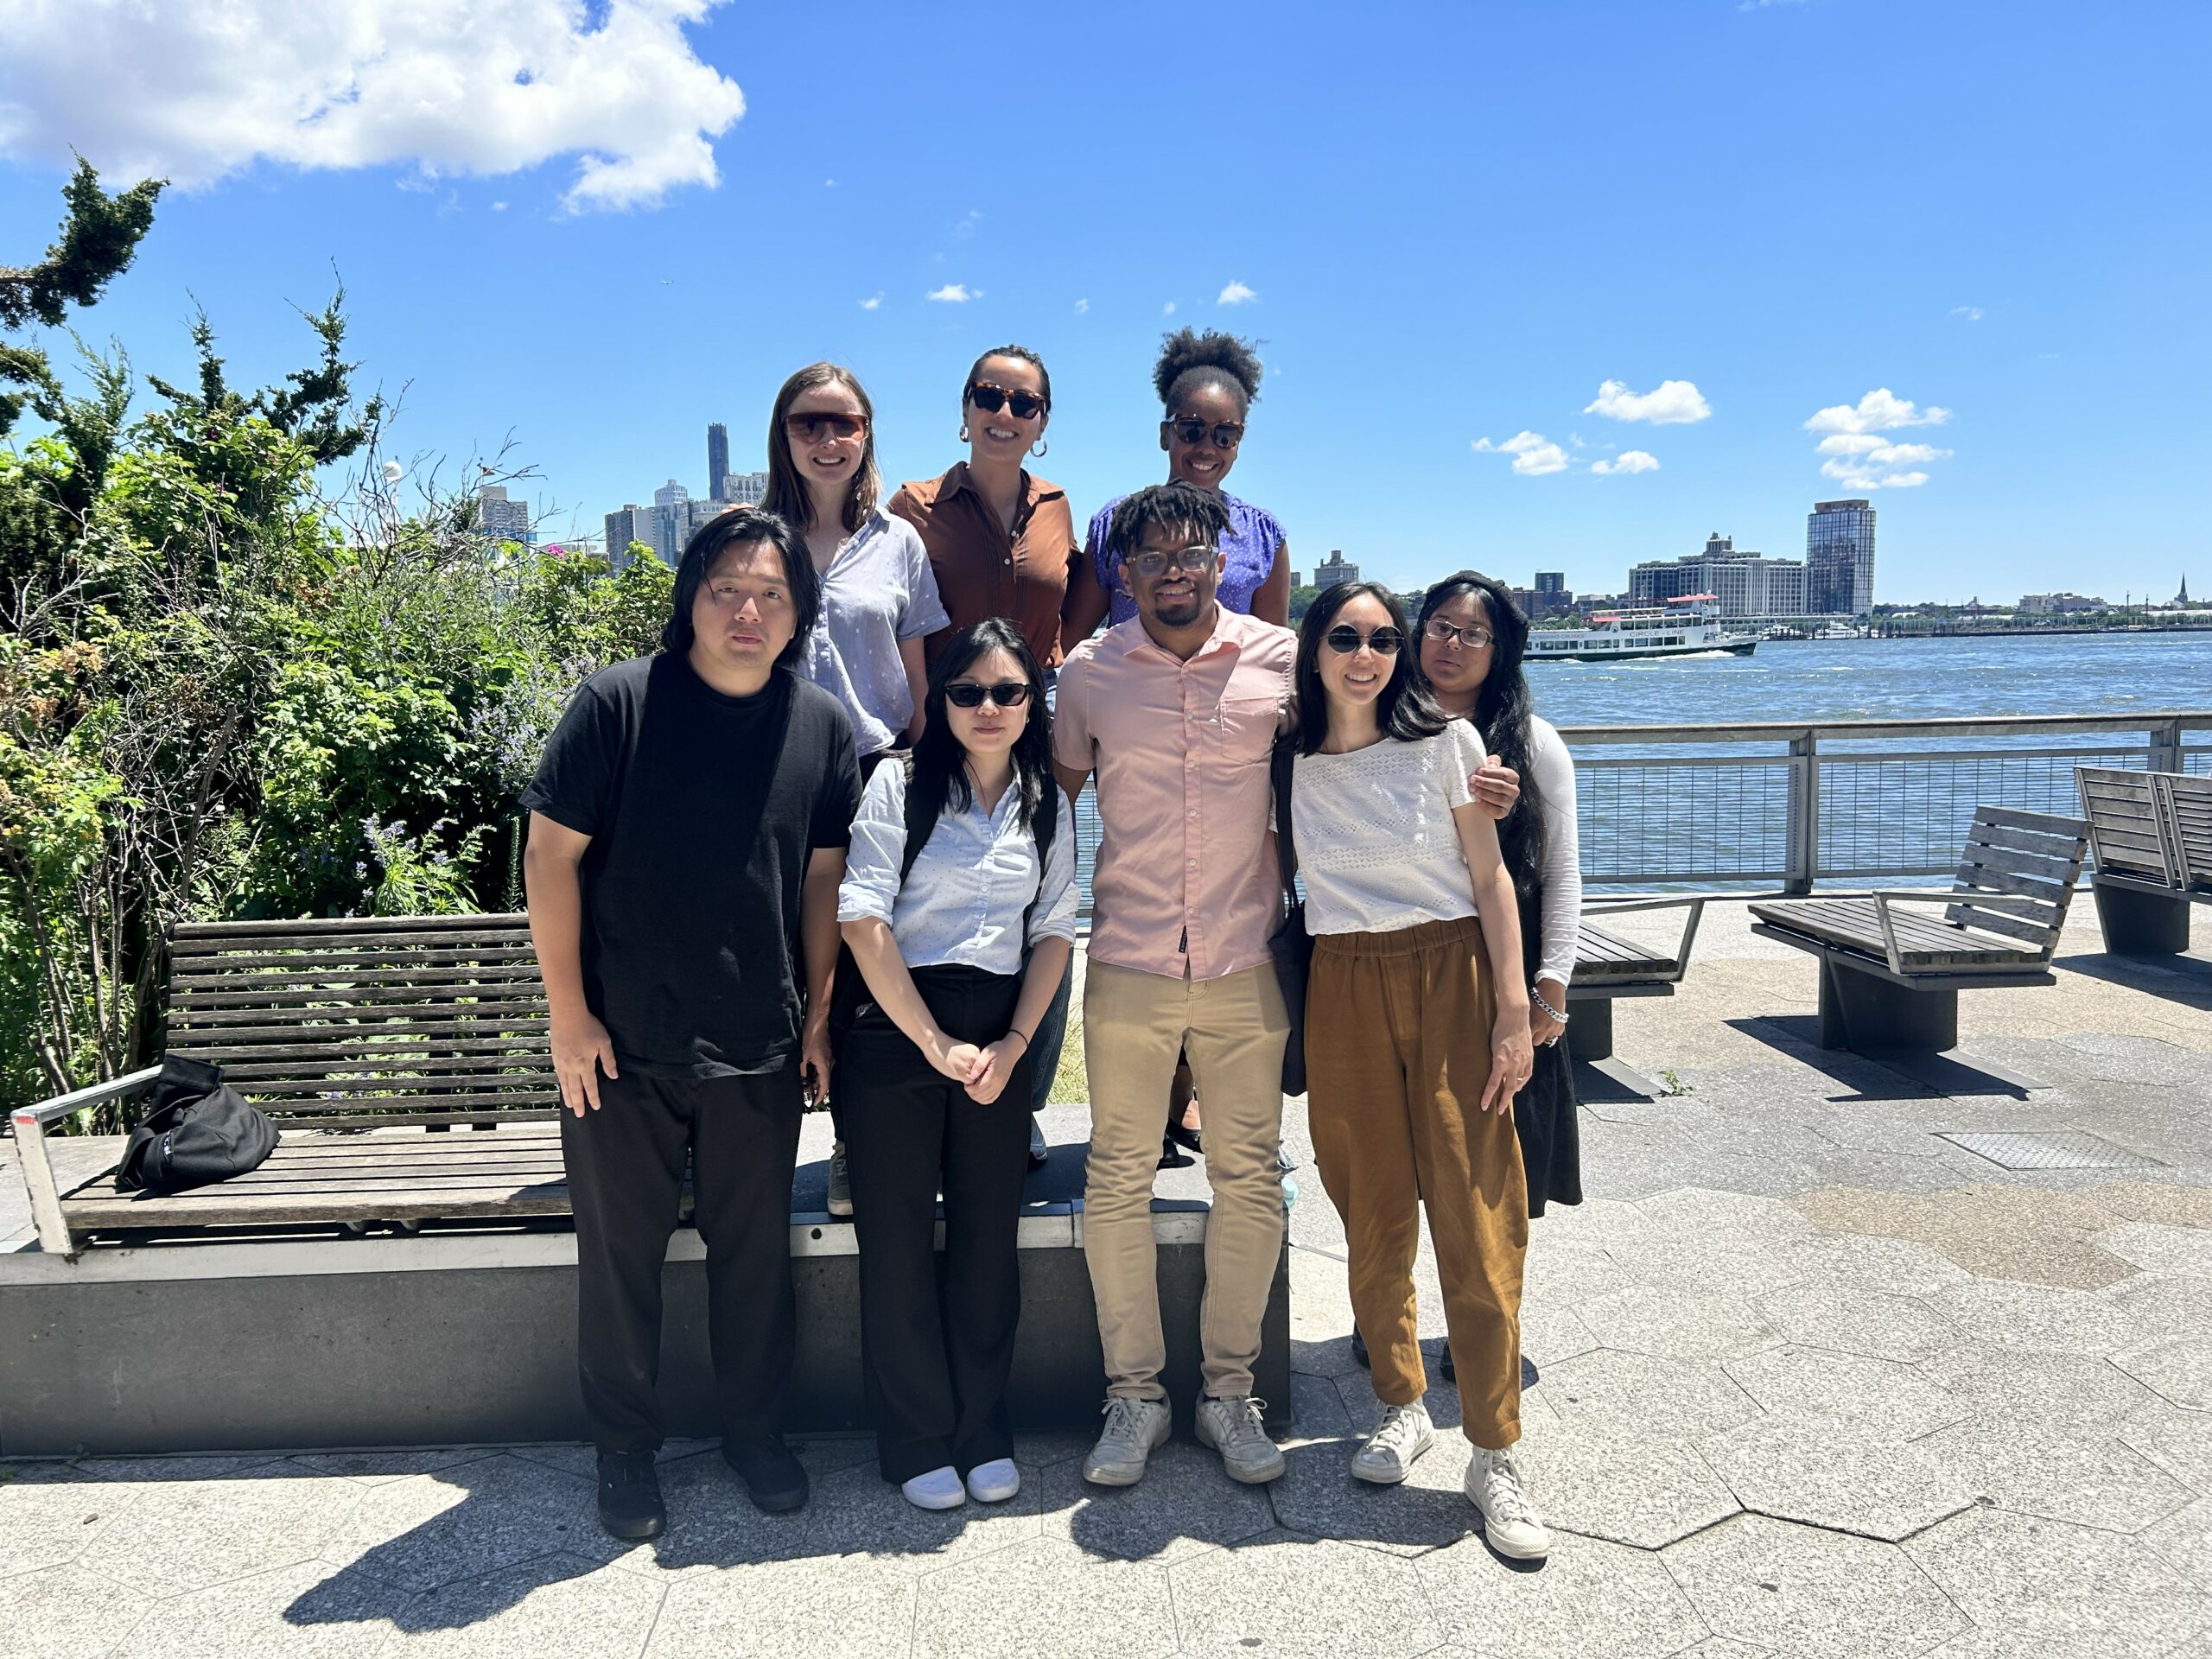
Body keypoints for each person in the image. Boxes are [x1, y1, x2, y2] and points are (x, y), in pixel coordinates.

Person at [523, 505, 861, 1542]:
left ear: (798, 612)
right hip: (620, 1044)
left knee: (753, 1260)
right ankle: (625, 1450)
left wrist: (816, 1018)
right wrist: (568, 1016)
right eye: (726, 591)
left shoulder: (820, 727)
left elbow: (819, 888)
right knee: (619, 1261)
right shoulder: (619, 704)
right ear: (691, 601)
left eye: (771, 594)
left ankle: (755, 1434)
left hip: (758, 1040)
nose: (748, 610)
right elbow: (549, 861)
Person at [1287, 581, 1548, 1560]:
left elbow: (1490, 879)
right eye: (1346, 637)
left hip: (1452, 974)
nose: (1366, 655)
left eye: (1383, 639)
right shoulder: (1290, 757)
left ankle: (1494, 1448)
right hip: (1342, 978)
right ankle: (1401, 1403)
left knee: (1478, 1213)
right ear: (1314, 648)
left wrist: (1516, 1013)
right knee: (1369, 1209)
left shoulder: (1449, 743)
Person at [1053, 481, 1296, 1490]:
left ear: (1219, 559)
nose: (1171, 571)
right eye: (1147, 558)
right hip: (1129, 959)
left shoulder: (1280, 664)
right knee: (1115, 1178)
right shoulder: (1088, 675)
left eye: (1189, 552)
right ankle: (1135, 1396)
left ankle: (1229, 1395)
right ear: (1122, 573)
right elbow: (1046, 806)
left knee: (1251, 1178)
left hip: (1246, 961)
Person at [836, 619, 1077, 1510]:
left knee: (986, 1241)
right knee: (895, 1241)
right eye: (968, 691)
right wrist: (932, 1043)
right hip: (896, 1024)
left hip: (998, 1026)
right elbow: (863, 918)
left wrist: (1013, 1046)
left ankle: (982, 1428)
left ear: (1030, 704)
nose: (988, 706)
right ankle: (913, 1438)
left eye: (1008, 692)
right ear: (939, 700)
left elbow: (1053, 926)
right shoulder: (899, 784)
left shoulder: (1044, 799)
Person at [1065, 330, 1289, 1164]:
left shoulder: (1265, 532)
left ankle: (1190, 1101)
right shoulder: (1114, 523)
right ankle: (1150, 1100)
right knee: (1151, 906)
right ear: (1165, 430)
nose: (1206, 447)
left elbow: (1277, 651)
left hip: (1228, 744)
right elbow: (1075, 636)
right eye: (1192, 428)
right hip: (1135, 735)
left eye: (1224, 433)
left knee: (1226, 912)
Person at [888, 345, 1086, 1173]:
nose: (1004, 414)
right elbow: (887, 617)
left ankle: (1021, 1098)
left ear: (1042, 423)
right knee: (908, 913)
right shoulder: (915, 505)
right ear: (965, 408)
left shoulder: (1059, 509)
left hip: (1023, 730)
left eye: (1024, 403)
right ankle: (896, 1106)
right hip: (935, 734)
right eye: (989, 396)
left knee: (1040, 912)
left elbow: (1070, 616)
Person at [764, 361, 949, 1217]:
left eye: (844, 423)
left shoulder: (897, 542)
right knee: (776, 958)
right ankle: (742, 1148)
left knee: (872, 964)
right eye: (810, 423)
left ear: (867, 433)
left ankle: (852, 1144)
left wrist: (920, 781)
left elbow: (914, 685)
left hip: (875, 773)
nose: (827, 439)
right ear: (784, 433)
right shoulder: (754, 538)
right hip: (772, 770)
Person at [1415, 571, 1582, 1214]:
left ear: (1500, 652)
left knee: (1504, 1157)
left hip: (1508, 961)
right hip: (1420, 958)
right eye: (1440, 627)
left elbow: (1563, 870)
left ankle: (1488, 1303)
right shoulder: (1384, 727)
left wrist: (1552, 985)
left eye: (1475, 635)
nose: (1452, 645)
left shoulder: (1532, 742)